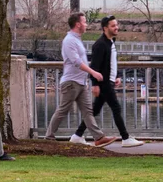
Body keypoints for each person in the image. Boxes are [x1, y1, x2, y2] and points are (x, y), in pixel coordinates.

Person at [43, 11, 115, 147]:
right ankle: (49, 136)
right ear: (77, 24)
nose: (86, 24)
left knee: (88, 111)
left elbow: (80, 60)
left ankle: (98, 137)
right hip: (70, 83)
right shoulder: (69, 41)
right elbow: (76, 61)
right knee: (63, 109)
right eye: (84, 22)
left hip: (81, 83)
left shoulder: (76, 39)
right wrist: (93, 72)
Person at [72, 16, 144, 147]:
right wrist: (95, 84)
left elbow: (110, 63)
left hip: (108, 81)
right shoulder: (100, 44)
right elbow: (95, 65)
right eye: (113, 26)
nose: (116, 27)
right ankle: (125, 138)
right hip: (103, 83)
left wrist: (115, 76)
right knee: (116, 107)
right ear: (105, 28)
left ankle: (77, 135)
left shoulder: (111, 42)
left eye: (116, 25)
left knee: (95, 110)